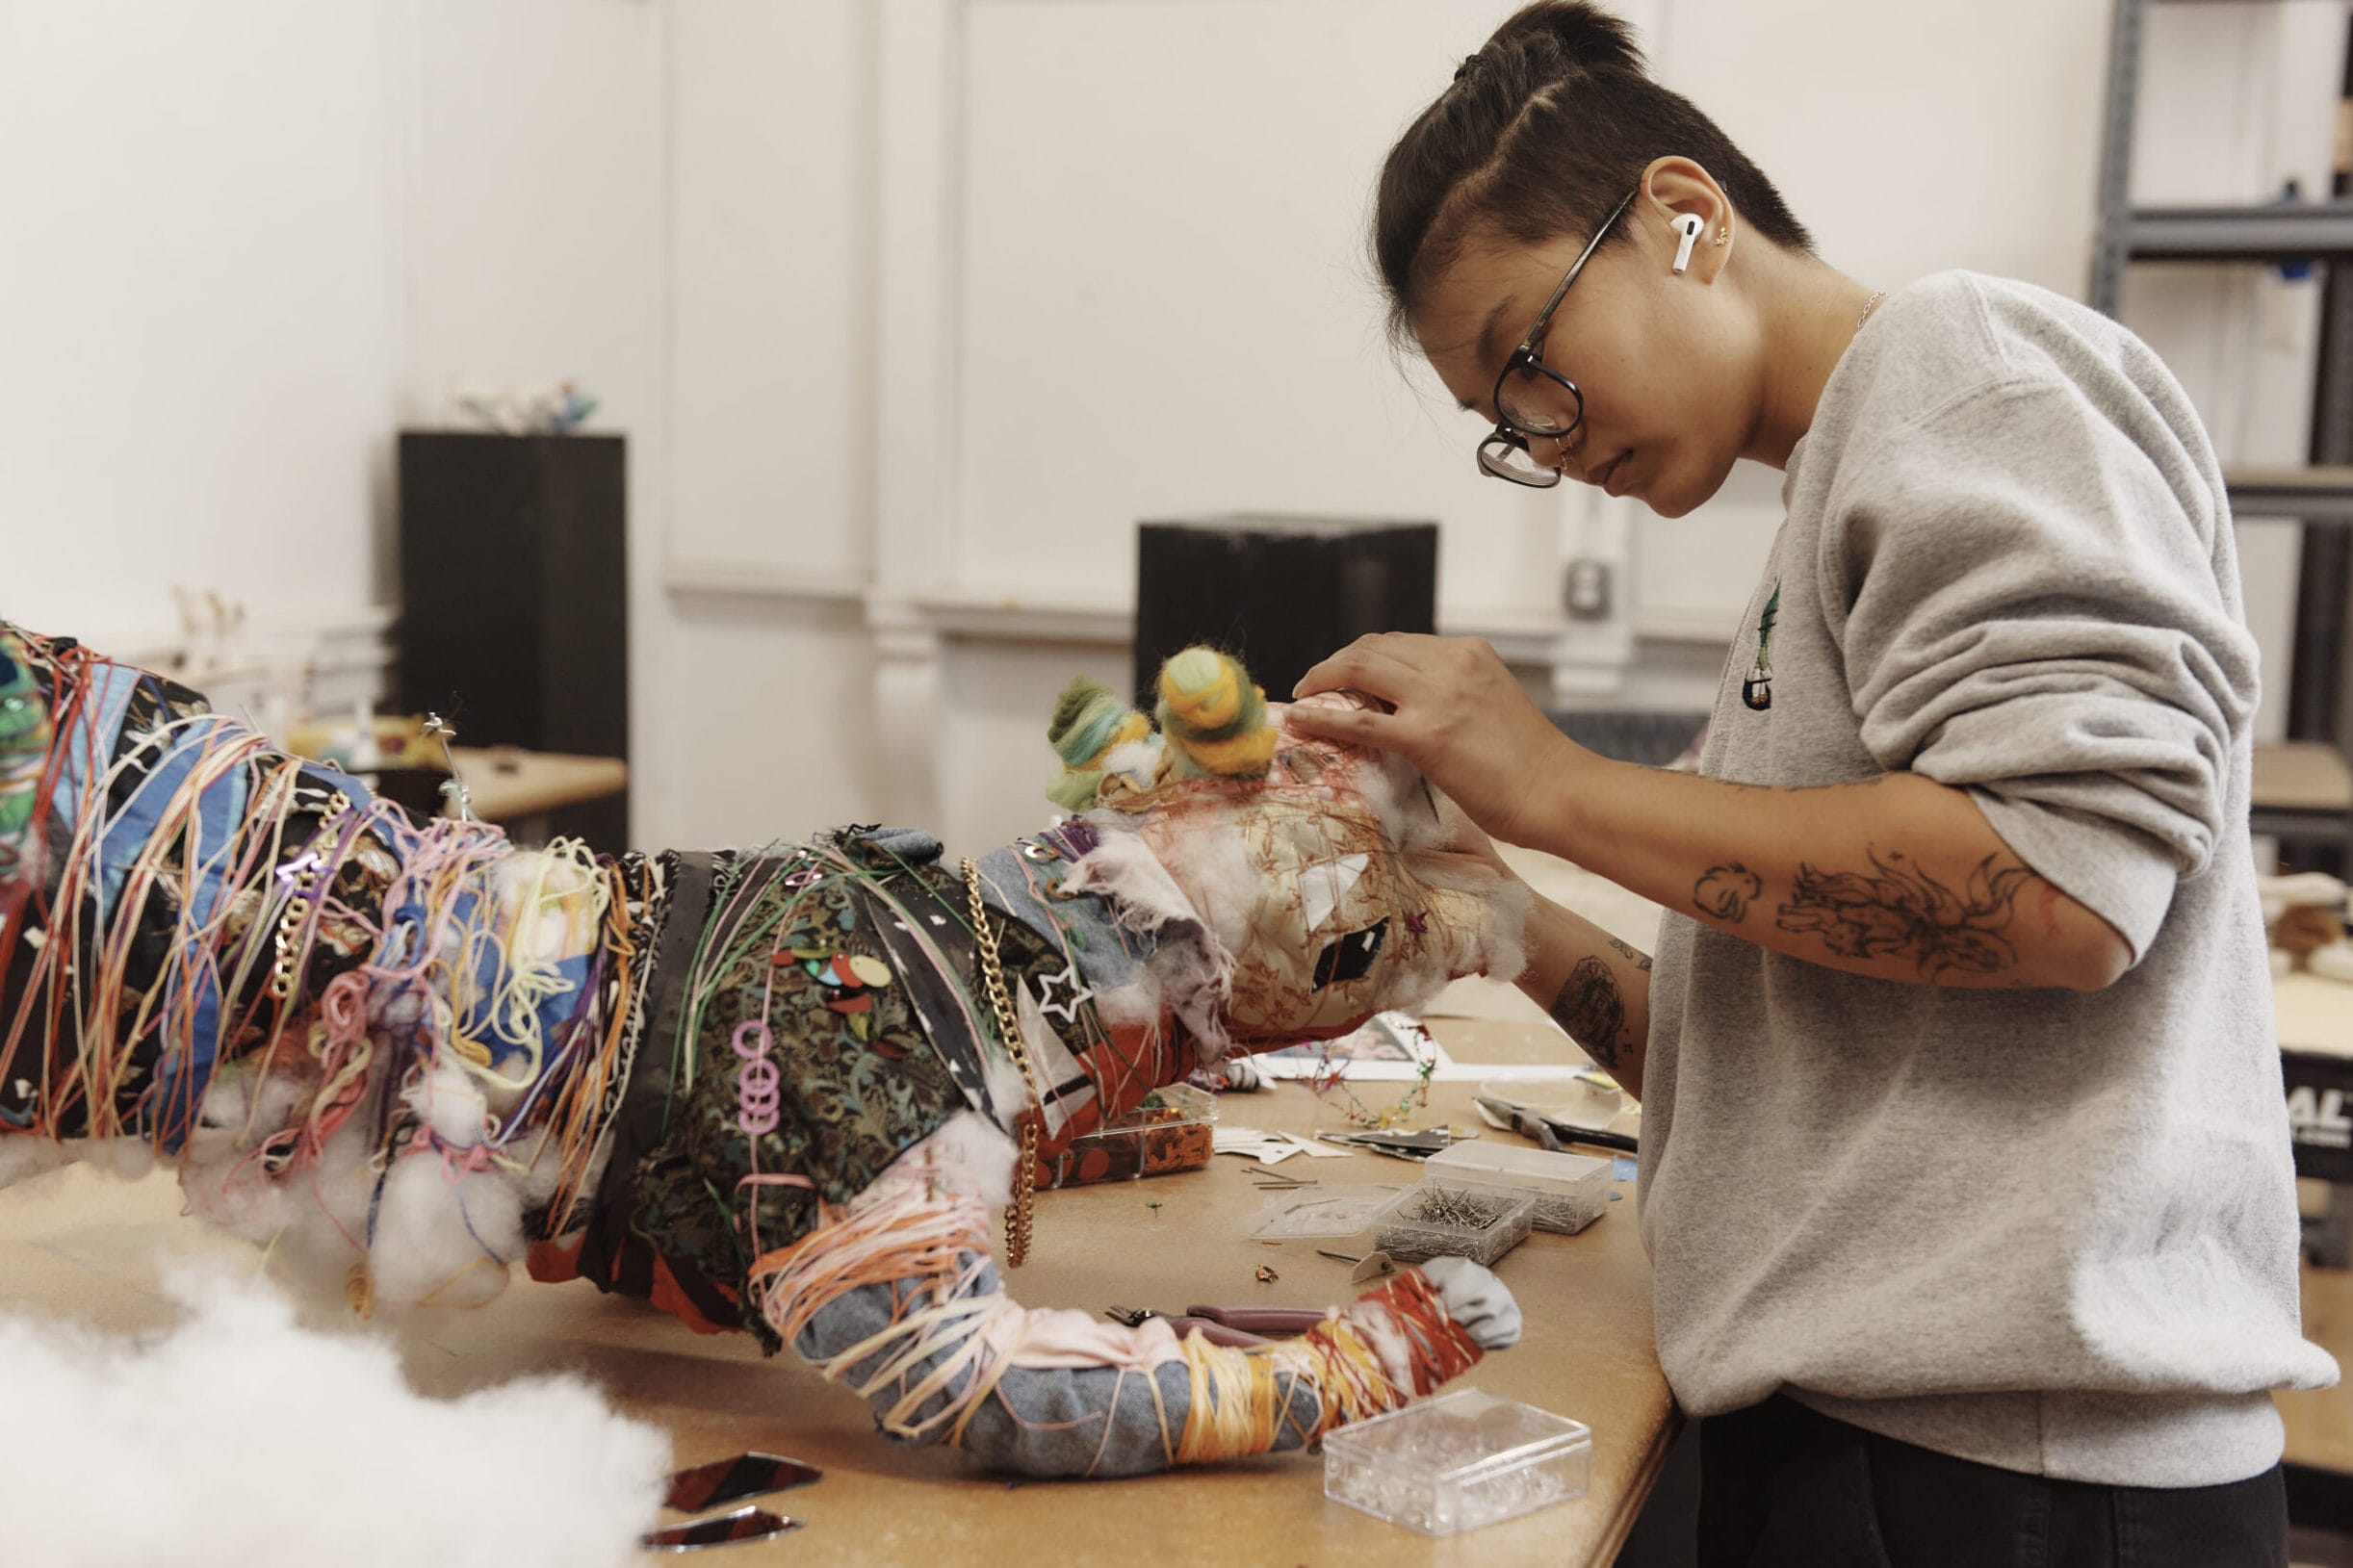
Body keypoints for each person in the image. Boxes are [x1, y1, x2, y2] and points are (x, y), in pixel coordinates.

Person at [1284, 4, 2340, 1563]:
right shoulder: (1831, 508)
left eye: (1530, 358)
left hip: (2018, 1479)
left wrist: (1554, 780)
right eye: (1499, 419)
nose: (1541, 435)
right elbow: (1774, 1069)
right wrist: (1490, 904)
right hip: (1901, 1445)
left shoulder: (1969, 372)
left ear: (1685, 218)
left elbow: (2061, 895)